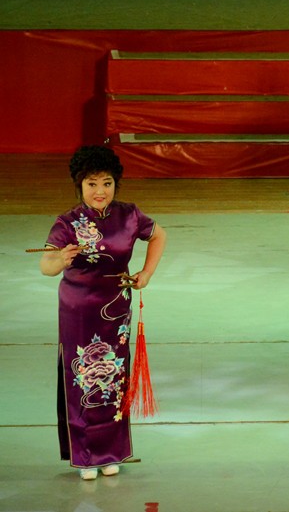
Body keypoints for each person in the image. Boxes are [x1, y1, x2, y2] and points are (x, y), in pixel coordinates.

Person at [40, 146, 167, 481]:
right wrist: (61, 259)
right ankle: (85, 456)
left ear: (116, 184)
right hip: (78, 311)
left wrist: (146, 273)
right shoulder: (67, 222)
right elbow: (45, 265)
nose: (100, 191)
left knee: (113, 378)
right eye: (92, 184)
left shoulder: (130, 215)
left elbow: (159, 235)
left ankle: (111, 453)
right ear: (79, 185)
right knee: (82, 378)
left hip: (116, 310)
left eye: (107, 183)